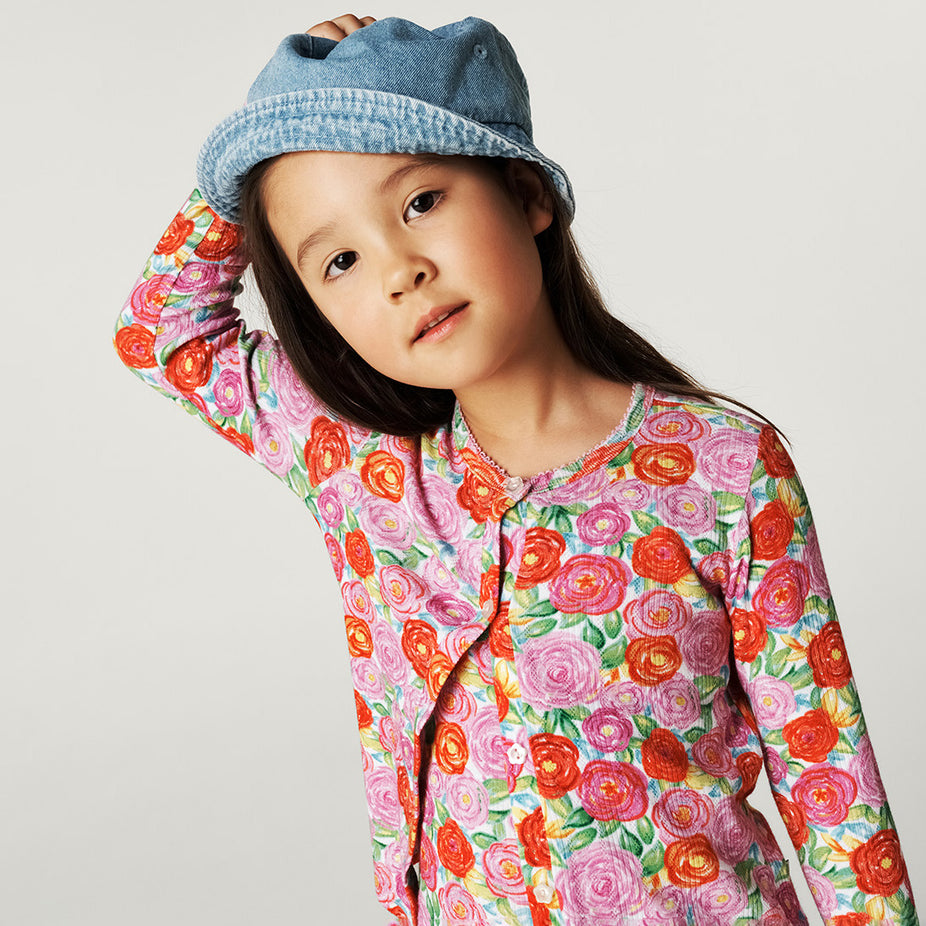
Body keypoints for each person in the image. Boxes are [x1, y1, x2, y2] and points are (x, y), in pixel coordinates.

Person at [113, 14, 918, 926]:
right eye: (340, 260)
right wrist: (270, 134)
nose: (400, 271)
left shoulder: (724, 469)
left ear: (526, 193)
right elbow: (158, 330)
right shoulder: (359, 467)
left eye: (422, 202)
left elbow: (831, 791)